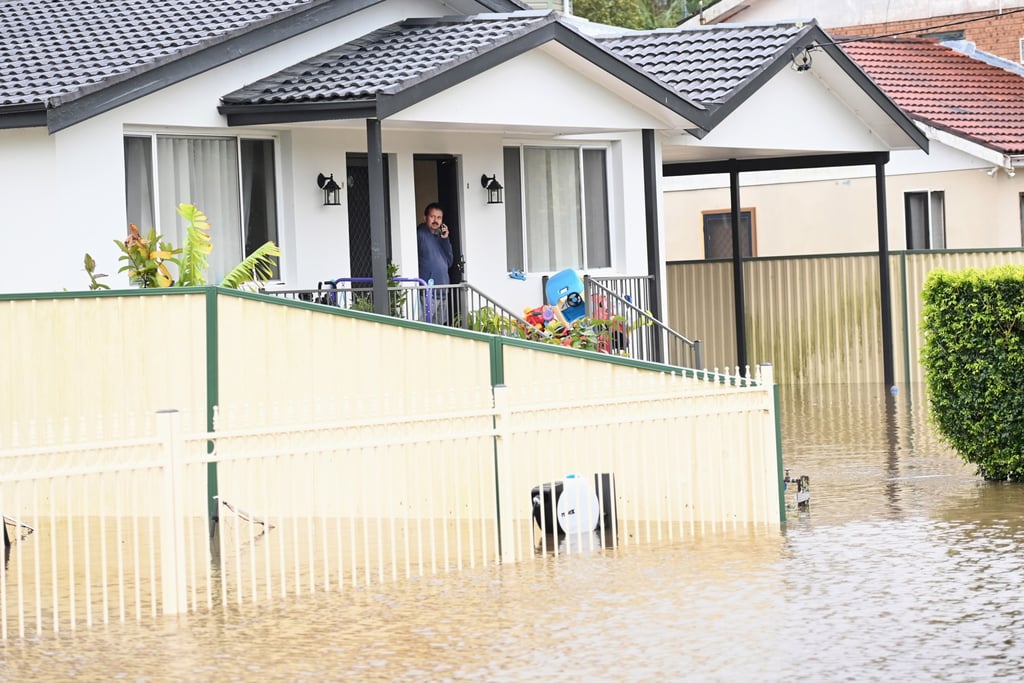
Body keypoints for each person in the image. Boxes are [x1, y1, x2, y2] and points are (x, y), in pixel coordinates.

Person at [416, 202, 453, 324]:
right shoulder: (420, 235)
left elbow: (449, 262)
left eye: (439, 217)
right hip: (428, 292)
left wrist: (445, 239)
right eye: (432, 216)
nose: (435, 220)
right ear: (425, 217)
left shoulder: (440, 236)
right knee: (426, 326)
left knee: (440, 329)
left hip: (442, 291)